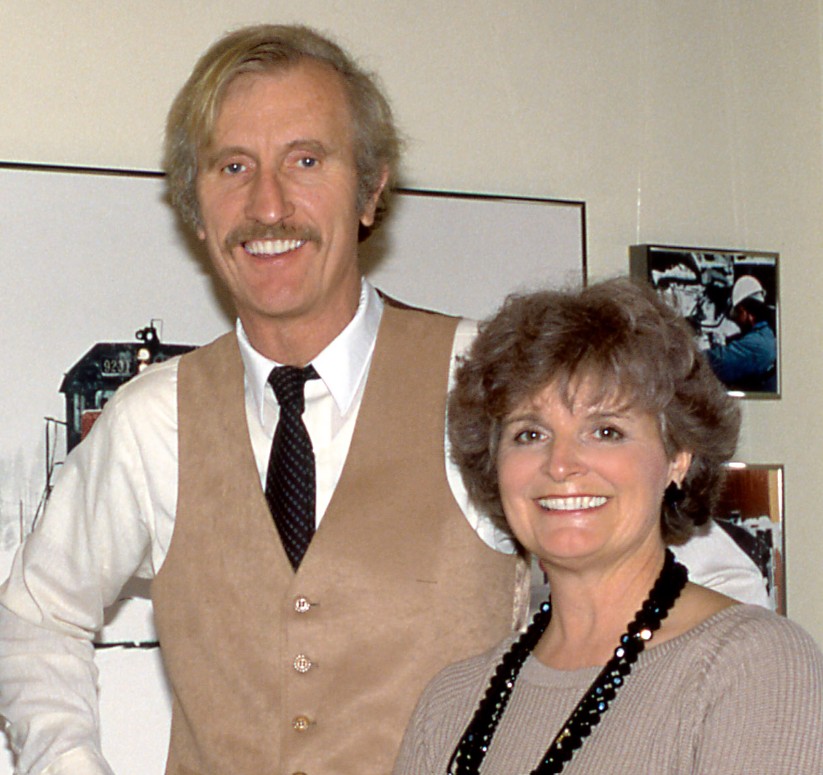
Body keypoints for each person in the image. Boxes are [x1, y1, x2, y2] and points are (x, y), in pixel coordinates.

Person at [0, 25, 766, 775]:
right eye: (233, 166)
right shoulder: (151, 420)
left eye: (306, 160)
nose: (268, 204)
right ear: (196, 208)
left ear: (370, 188)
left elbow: (714, 591)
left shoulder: (494, 382)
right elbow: (33, 617)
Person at [393, 278, 822, 774]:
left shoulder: (753, 667)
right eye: (530, 434)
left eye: (605, 431)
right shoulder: (451, 702)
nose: (561, 464)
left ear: (678, 458)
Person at [707, 274, 777, 393]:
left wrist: (692, 350)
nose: (736, 320)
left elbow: (717, 363)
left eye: (737, 313)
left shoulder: (757, 345)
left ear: (744, 312)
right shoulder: (766, 331)